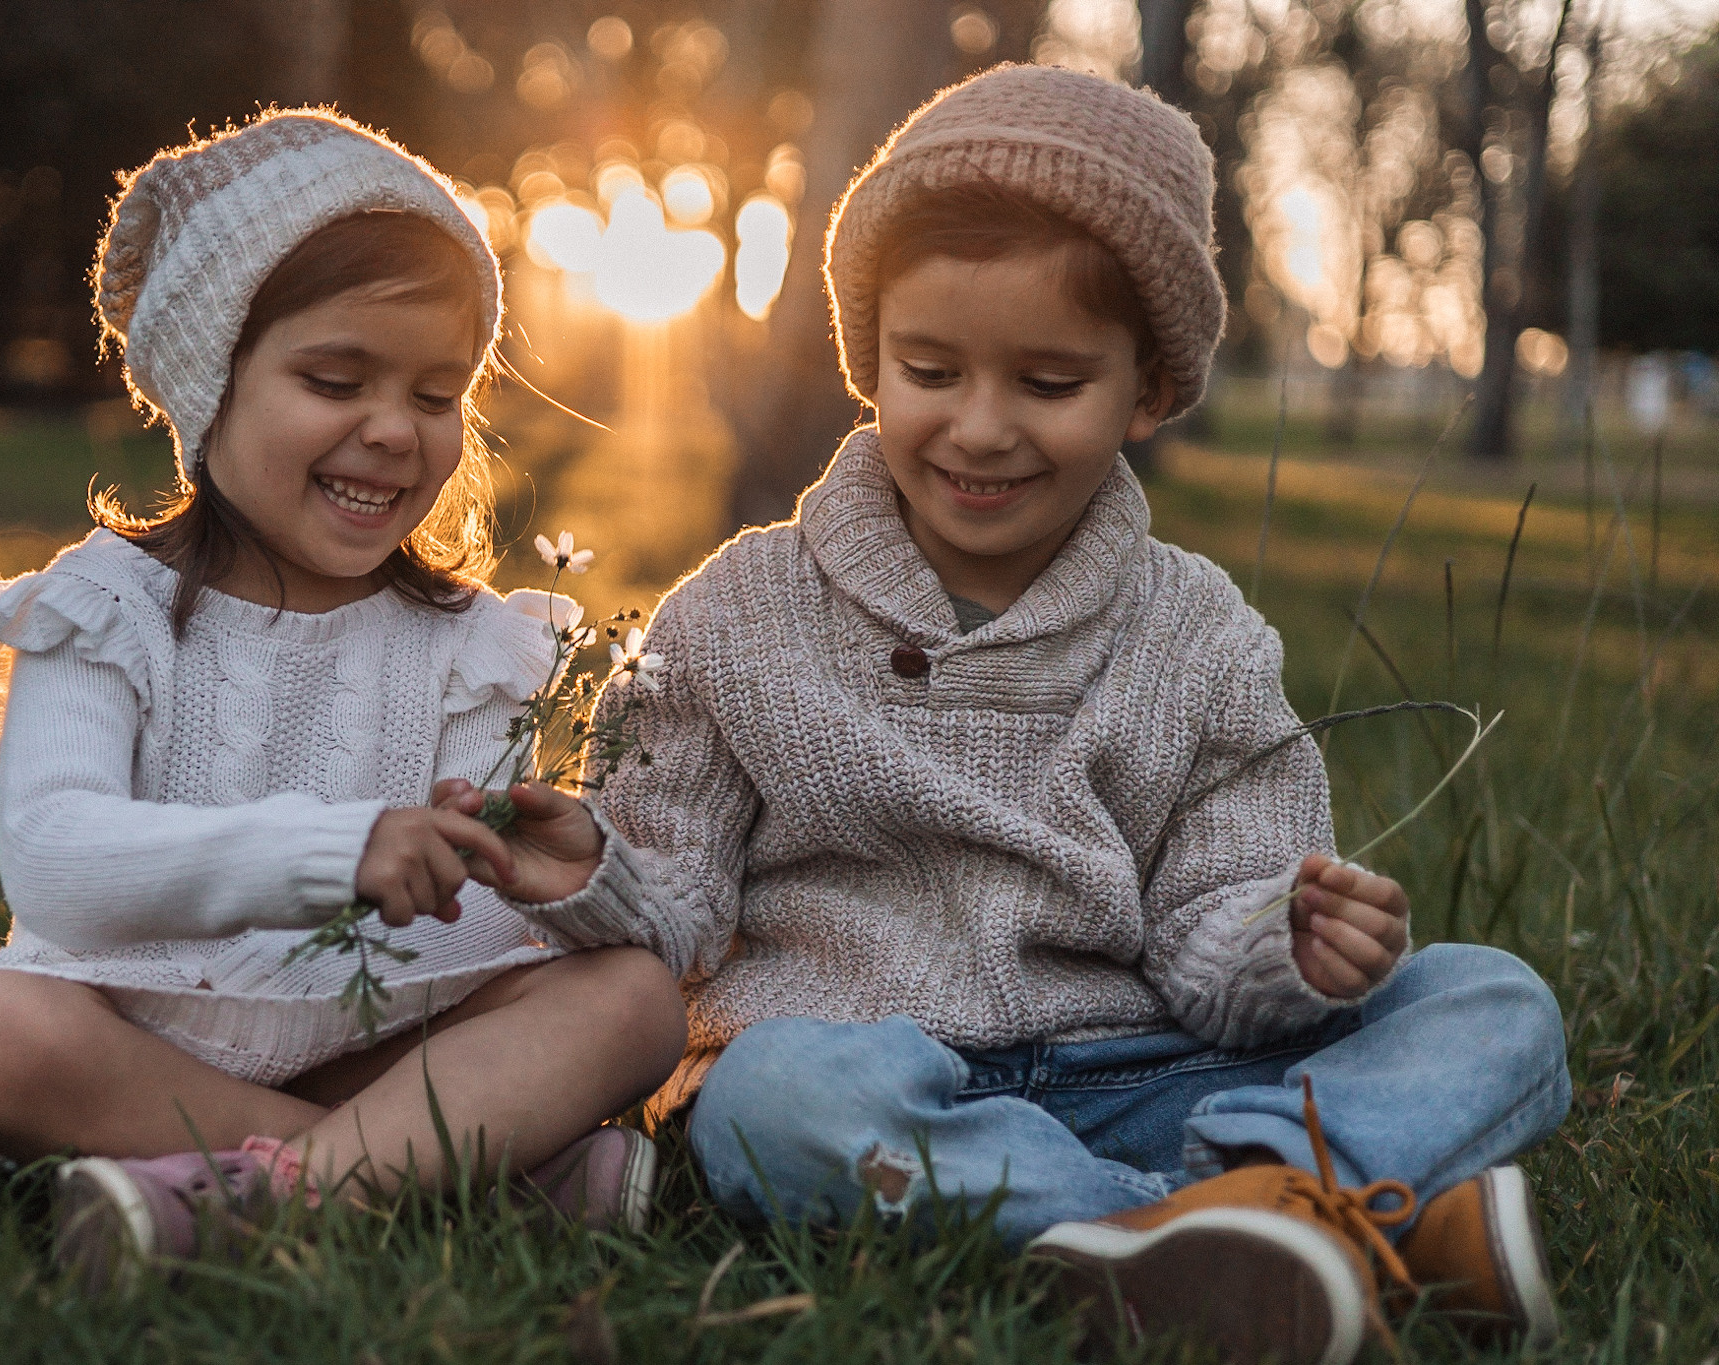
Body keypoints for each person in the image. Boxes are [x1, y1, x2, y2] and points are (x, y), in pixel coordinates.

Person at [453, 66, 1570, 1365]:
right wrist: (591, 868)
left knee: (1493, 1002)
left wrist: (1289, 944)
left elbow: (1220, 919)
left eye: (1048, 384)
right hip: (871, 1077)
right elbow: (679, 909)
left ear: (1147, 394)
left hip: (1149, 1072)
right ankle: (1286, 1226)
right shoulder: (738, 611)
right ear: (868, 358)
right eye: (931, 370)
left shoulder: (1202, 638)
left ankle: (1245, 1206)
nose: (979, 429)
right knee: (765, 1100)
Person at [0, 110, 687, 1292]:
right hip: (146, 1038)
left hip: (381, 1048)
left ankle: (259, 1198)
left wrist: (574, 886)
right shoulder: (98, 608)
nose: (390, 428)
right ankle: (474, 1186)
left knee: (630, 1000)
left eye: (437, 394)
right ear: (207, 383)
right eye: (335, 379)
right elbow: (57, 862)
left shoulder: (471, 645)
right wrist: (338, 848)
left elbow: (494, 940)